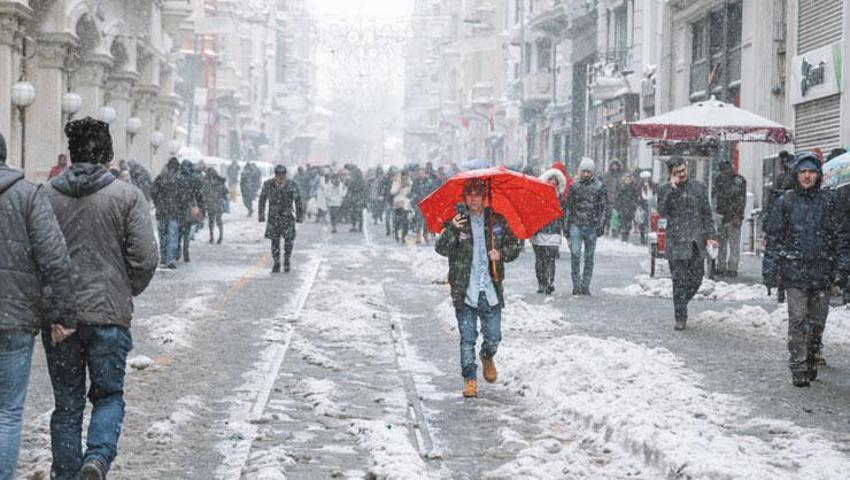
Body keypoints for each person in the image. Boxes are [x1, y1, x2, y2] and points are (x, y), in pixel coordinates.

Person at [45, 117, 158, 480]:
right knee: (109, 395)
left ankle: (65, 473)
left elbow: (37, 256)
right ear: (108, 153)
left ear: (72, 152)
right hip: (109, 315)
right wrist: (125, 288)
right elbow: (145, 256)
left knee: (66, 405)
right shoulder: (127, 197)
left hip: (62, 318)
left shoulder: (47, 195)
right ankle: (96, 457)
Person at [0, 133, 77, 480]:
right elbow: (55, 260)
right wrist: (60, 315)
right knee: (7, 411)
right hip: (15, 318)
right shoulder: (28, 195)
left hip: (15, 316)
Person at [765, 153, 847, 386]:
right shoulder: (786, 202)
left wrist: (841, 266)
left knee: (817, 321)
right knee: (798, 320)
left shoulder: (829, 202)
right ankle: (798, 365)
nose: (807, 176)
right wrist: (771, 268)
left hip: (822, 271)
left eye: (811, 172)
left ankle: (811, 356)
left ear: (818, 175)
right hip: (795, 271)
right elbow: (774, 237)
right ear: (796, 175)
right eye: (803, 172)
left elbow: (840, 236)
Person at [435, 178, 522, 398]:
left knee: (493, 336)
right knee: (467, 337)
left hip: (490, 289)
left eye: (477, 194)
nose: (474, 199)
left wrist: (501, 254)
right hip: (465, 290)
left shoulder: (497, 221)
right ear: (464, 198)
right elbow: (441, 248)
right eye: (470, 195)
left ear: (484, 197)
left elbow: (515, 246)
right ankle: (470, 380)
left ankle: (486, 356)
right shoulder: (457, 222)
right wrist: (452, 230)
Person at [657, 157, 716, 331]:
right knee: (679, 281)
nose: (682, 174)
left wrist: (711, 235)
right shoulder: (664, 189)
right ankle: (680, 317)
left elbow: (706, 213)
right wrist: (672, 190)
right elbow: (662, 211)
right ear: (671, 174)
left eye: (683, 170)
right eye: (677, 172)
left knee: (697, 278)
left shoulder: (698, 187)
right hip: (676, 242)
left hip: (696, 242)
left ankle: (682, 302)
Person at [566, 158, 608, 295]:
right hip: (576, 223)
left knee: (589, 256)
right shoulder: (574, 186)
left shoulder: (599, 187)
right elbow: (569, 207)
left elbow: (604, 207)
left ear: (592, 172)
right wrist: (567, 225)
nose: (585, 174)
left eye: (588, 172)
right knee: (575, 254)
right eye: (583, 171)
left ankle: (585, 285)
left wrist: (601, 225)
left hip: (592, 224)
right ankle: (576, 284)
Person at [259, 165, 304, 273]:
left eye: (282, 175)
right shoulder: (268, 184)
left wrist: (299, 216)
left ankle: (287, 259)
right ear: (275, 175)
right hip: (273, 217)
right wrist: (261, 215)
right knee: (275, 241)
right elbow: (262, 200)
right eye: (278, 175)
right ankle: (276, 261)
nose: (280, 178)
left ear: (285, 175)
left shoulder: (292, 185)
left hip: (287, 217)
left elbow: (298, 201)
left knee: (289, 241)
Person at [531, 169, 568, 294]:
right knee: (540, 259)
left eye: (555, 181)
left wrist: (564, 227)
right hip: (539, 230)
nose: (552, 183)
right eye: (550, 180)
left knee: (550, 259)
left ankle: (550, 281)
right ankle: (541, 282)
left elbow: (564, 214)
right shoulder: (537, 196)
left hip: (554, 230)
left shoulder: (561, 198)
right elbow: (533, 213)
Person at [712, 161, 747, 277]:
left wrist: (736, 215)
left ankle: (725, 267)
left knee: (726, 243)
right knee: (731, 244)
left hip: (726, 216)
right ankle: (729, 268)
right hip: (729, 216)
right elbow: (741, 200)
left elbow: (739, 200)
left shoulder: (720, 180)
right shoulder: (739, 180)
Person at [151, 158, 183, 269]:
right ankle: (170, 259)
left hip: (162, 211)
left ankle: (164, 258)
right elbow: (182, 197)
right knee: (172, 236)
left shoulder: (160, 178)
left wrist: (158, 203)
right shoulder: (179, 180)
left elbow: (153, 192)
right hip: (174, 212)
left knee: (163, 235)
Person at [176, 160, 204, 263]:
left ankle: (177, 252)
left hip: (179, 208)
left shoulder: (177, 178)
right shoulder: (193, 179)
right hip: (189, 208)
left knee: (178, 233)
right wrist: (201, 208)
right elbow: (199, 195)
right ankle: (186, 254)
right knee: (186, 233)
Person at [202, 167, 228, 244]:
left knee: (211, 222)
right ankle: (220, 236)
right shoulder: (220, 181)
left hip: (210, 204)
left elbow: (203, 193)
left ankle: (211, 237)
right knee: (219, 221)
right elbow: (226, 192)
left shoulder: (206, 182)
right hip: (219, 204)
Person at [615, 172, 641, 242]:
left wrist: (635, 205)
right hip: (622, 208)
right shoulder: (621, 187)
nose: (628, 180)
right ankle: (623, 238)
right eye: (626, 179)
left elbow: (636, 197)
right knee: (623, 223)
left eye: (629, 179)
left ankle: (626, 237)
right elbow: (618, 197)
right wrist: (617, 206)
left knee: (628, 224)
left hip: (630, 208)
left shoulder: (633, 188)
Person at [603, 159, 624, 235]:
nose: (614, 167)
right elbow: (605, 185)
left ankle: (615, 230)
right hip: (608, 198)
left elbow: (621, 186)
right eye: (613, 165)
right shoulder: (608, 175)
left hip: (618, 198)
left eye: (616, 165)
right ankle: (607, 228)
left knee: (617, 215)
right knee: (608, 215)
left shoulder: (620, 175)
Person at [391, 171, 412, 243]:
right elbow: (392, 192)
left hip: (405, 203)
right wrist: (400, 187)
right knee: (397, 221)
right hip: (397, 203)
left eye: (407, 176)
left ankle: (404, 236)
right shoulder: (396, 182)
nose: (405, 178)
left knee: (406, 221)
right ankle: (397, 234)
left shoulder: (409, 183)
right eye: (404, 176)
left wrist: (409, 187)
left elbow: (408, 194)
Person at [638, 170, 655, 245]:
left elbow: (654, 194)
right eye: (644, 178)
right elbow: (638, 196)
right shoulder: (639, 186)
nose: (646, 180)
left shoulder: (653, 185)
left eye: (647, 178)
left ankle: (650, 237)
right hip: (643, 205)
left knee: (651, 222)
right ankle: (642, 237)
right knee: (642, 222)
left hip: (651, 204)